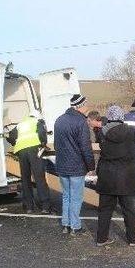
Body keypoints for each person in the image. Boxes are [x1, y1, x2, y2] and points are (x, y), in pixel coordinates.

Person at [95, 105, 135, 246]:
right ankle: (132, 239)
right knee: (129, 209)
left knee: (105, 209)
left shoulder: (101, 132)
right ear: (121, 117)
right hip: (126, 175)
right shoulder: (130, 131)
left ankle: (101, 238)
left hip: (107, 174)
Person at [54, 94, 95, 235]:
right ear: (81, 106)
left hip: (62, 165)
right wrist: (91, 166)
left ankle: (66, 224)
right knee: (76, 197)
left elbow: (56, 145)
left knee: (66, 196)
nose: (88, 106)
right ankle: (75, 226)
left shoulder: (59, 120)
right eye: (86, 104)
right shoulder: (81, 122)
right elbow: (85, 147)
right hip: (76, 166)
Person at [6, 111, 51, 213]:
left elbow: (10, 136)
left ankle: (29, 207)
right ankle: (45, 206)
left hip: (22, 151)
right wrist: (43, 144)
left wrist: (16, 143)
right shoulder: (37, 122)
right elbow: (42, 134)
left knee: (25, 178)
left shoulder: (20, 124)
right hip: (34, 150)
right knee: (39, 177)